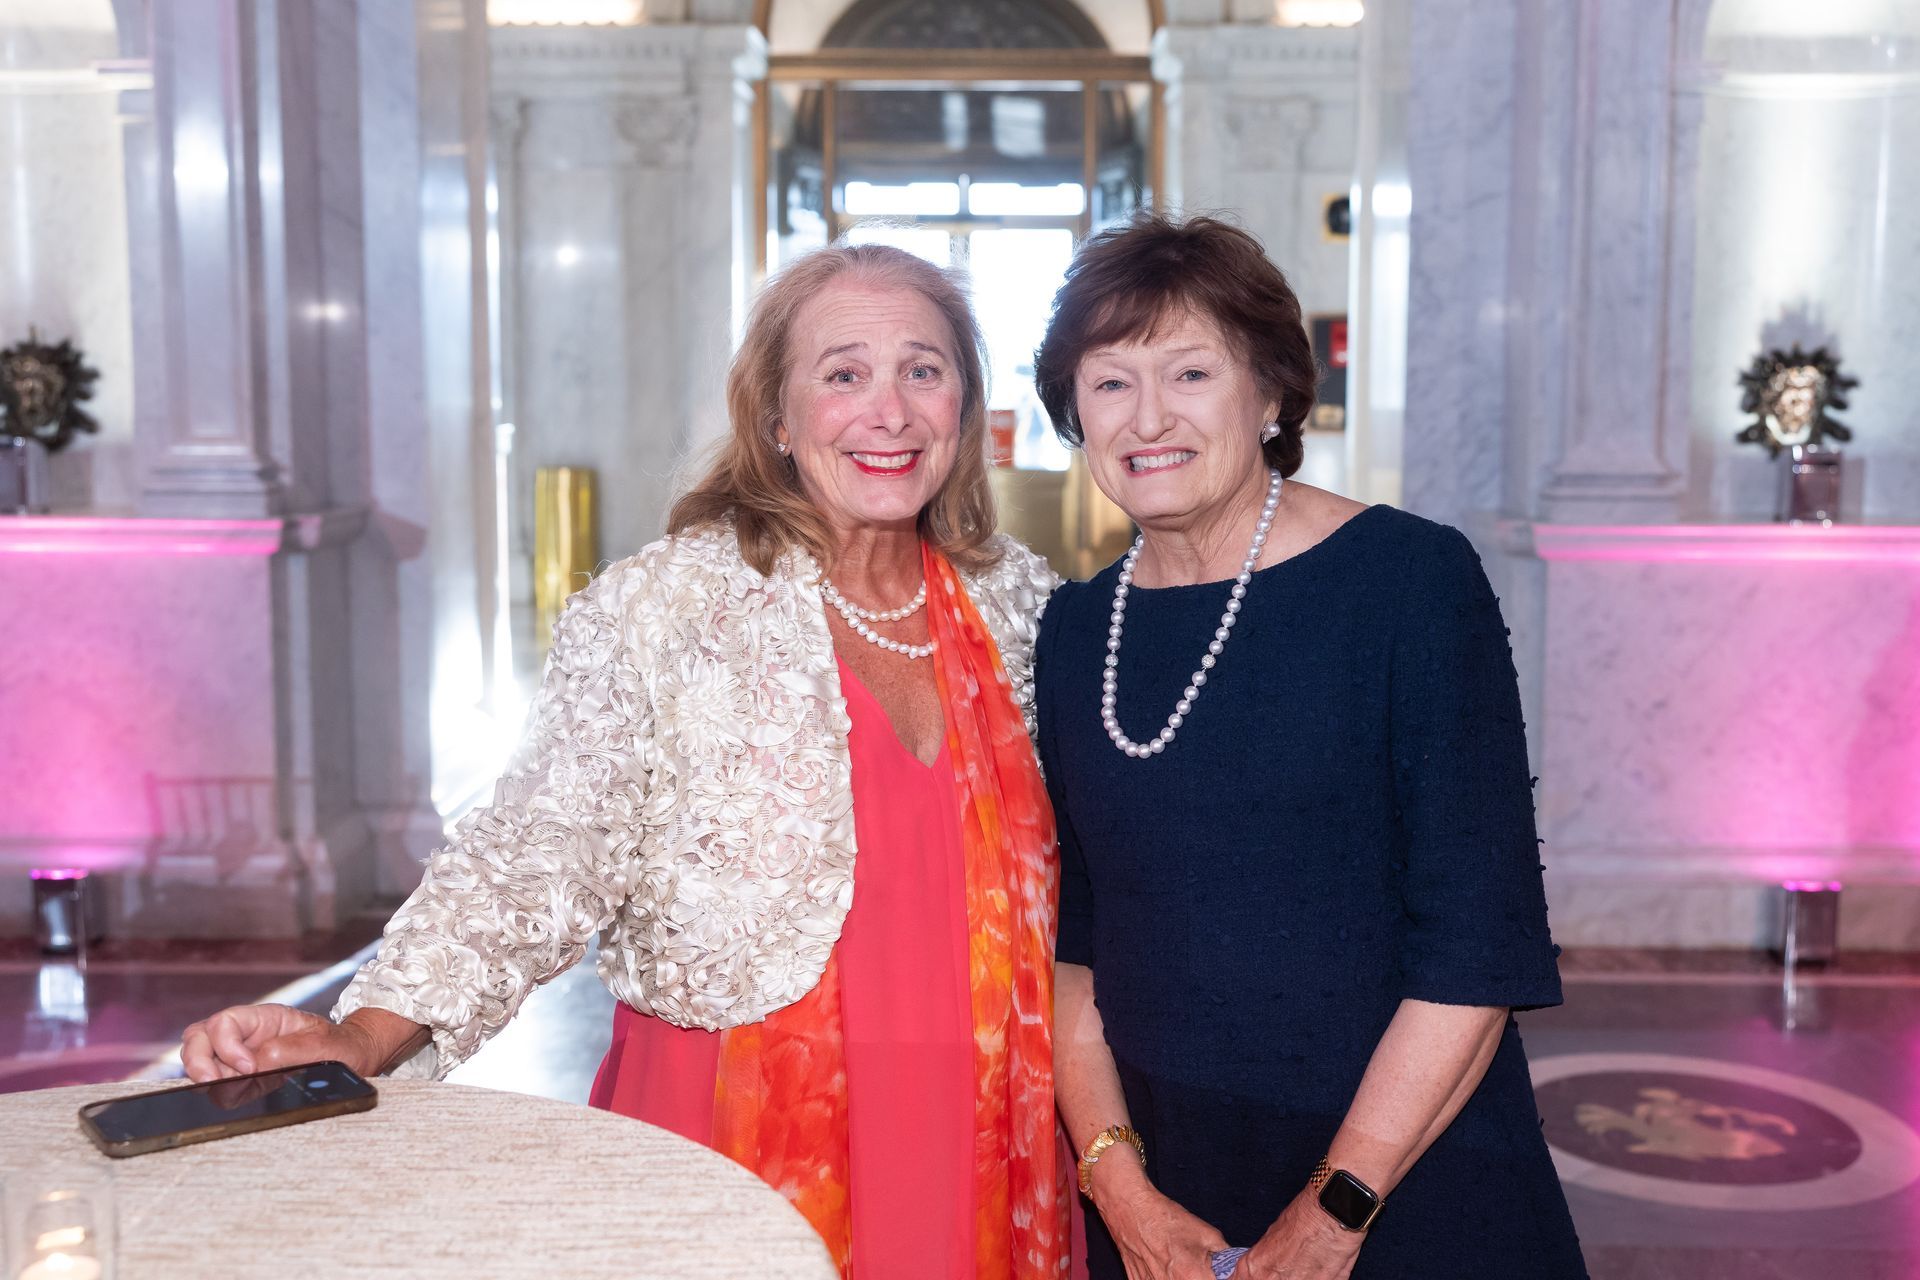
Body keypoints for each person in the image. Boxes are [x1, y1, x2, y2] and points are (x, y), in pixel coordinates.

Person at [181, 243, 1070, 1280]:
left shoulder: (1022, 605)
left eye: (923, 369)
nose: (890, 410)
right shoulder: (666, 606)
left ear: (963, 405)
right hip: (745, 1126)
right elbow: (539, 845)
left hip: (985, 1135)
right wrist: (364, 1034)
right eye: (843, 373)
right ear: (778, 418)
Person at [1030, 215, 1587, 1280]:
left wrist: (1336, 1208)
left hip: (1402, 1166)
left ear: (1274, 394)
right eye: (1109, 383)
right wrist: (1118, 1185)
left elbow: (1478, 947)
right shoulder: (1075, 631)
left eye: (1190, 371)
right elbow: (1076, 942)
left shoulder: (1409, 584)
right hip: (1162, 1179)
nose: (1149, 416)